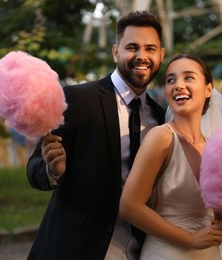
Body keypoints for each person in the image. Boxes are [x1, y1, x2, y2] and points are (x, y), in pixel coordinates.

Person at [26, 11, 166, 260]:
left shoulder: (161, 117)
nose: (142, 56)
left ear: (161, 55)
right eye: (132, 47)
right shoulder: (78, 99)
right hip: (74, 250)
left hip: (137, 251)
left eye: (150, 48)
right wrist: (52, 171)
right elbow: (35, 167)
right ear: (115, 52)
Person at [119, 54, 222, 259]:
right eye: (171, 80)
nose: (178, 85)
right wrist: (190, 239)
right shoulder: (161, 137)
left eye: (189, 78)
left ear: (208, 89)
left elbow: (217, 213)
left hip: (209, 253)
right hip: (167, 252)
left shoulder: (215, 149)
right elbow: (129, 206)